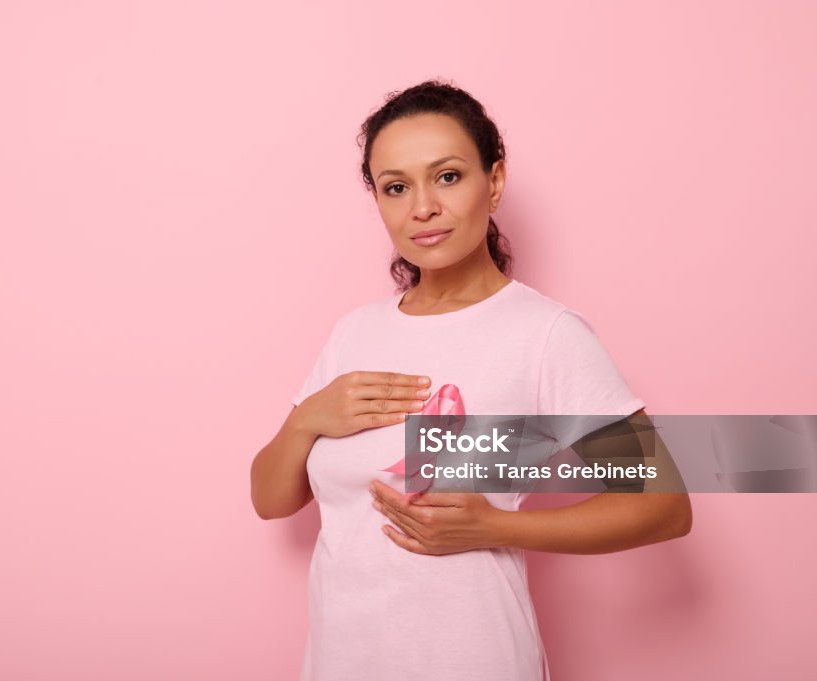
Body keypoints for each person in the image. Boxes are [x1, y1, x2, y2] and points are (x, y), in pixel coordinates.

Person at [250, 79, 692, 681]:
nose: (422, 207)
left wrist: (496, 527)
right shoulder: (353, 333)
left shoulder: (545, 335)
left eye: (448, 176)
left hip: (474, 658)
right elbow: (272, 501)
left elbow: (663, 505)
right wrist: (306, 418)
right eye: (396, 187)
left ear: (496, 182)